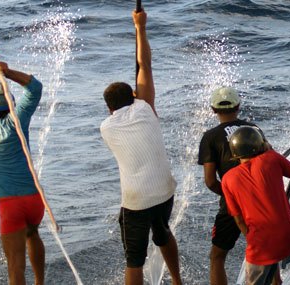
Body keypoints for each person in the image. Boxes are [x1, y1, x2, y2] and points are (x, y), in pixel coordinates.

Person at [99, 10, 182, 285]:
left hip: (136, 201)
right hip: (164, 191)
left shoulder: (106, 127)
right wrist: (140, 27)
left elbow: (123, 104)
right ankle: (178, 281)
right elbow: (144, 65)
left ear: (109, 108)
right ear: (133, 97)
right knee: (163, 234)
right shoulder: (146, 109)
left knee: (134, 259)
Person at [0, 38, 46, 285]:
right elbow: (35, 88)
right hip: (35, 200)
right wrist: (7, 73)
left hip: (10, 206)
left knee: (15, 267)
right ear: (9, 106)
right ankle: (40, 283)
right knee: (33, 233)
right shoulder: (17, 122)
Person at [221, 126, 290, 285]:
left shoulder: (227, 179)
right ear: (260, 144)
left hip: (260, 245)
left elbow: (239, 220)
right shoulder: (271, 158)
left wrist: (252, 239)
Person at [197, 86, 268, 284]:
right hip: (261, 201)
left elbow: (210, 181)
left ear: (213, 109)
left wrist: (230, 194)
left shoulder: (210, 137)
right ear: (238, 106)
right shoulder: (254, 129)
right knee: (267, 253)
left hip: (231, 206)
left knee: (217, 257)